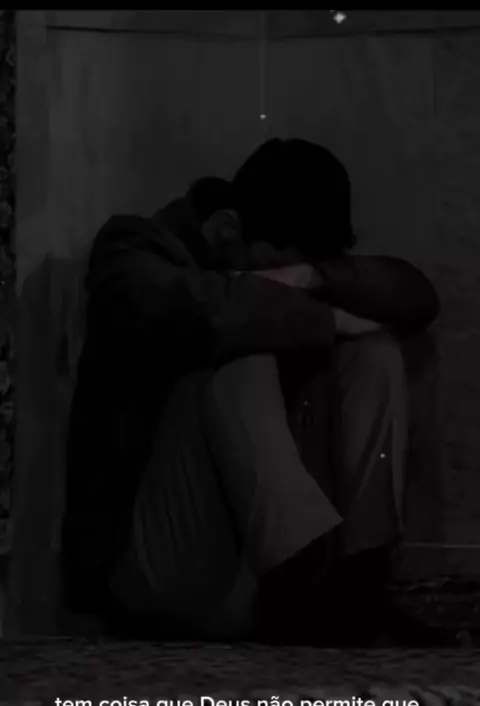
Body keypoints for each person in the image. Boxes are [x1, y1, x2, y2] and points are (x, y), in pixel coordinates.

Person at [62, 138, 445, 646]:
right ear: (226, 229)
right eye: (272, 274)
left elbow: (418, 297)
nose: (281, 287)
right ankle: (299, 577)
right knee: (240, 350)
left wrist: (310, 277)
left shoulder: (287, 252)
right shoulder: (131, 247)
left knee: (372, 350)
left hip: (250, 568)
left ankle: (359, 585)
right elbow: (188, 307)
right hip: (165, 569)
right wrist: (328, 318)